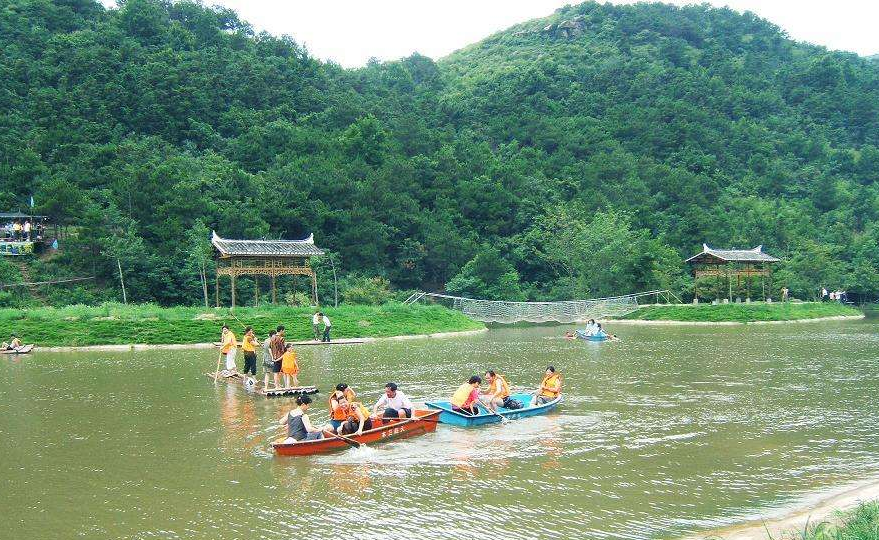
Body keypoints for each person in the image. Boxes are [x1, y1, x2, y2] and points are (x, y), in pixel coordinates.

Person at [269, 325, 286, 389]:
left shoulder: (272, 338)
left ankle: (277, 386)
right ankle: (286, 385)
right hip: (281, 357)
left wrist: (273, 357)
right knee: (284, 372)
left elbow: (270, 347)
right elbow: (283, 349)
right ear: (281, 330)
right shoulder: (281, 339)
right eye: (284, 330)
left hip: (275, 357)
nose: (284, 331)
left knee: (276, 372)